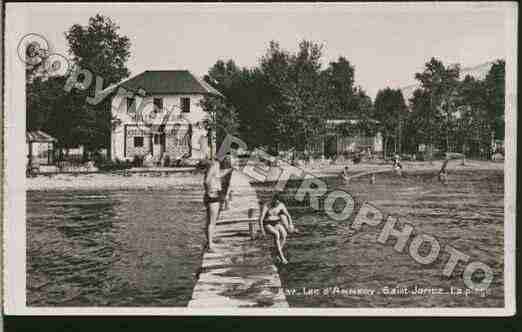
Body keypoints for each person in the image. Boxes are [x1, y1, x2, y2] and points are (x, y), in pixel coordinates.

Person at [259, 193, 298, 264]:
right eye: (275, 202)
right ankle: (282, 257)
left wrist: (291, 224)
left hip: (276, 222)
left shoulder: (281, 205)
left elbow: (288, 215)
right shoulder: (266, 205)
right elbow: (261, 219)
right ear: (273, 199)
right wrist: (262, 230)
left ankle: (276, 252)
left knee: (284, 235)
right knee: (276, 234)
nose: (276, 204)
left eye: (278, 202)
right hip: (267, 224)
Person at [203, 159, 233, 252]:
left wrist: (228, 170)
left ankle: (209, 242)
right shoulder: (214, 165)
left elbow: (216, 177)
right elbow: (206, 180)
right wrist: (210, 192)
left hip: (212, 195)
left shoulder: (215, 165)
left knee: (211, 221)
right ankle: (210, 245)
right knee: (211, 222)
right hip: (213, 195)